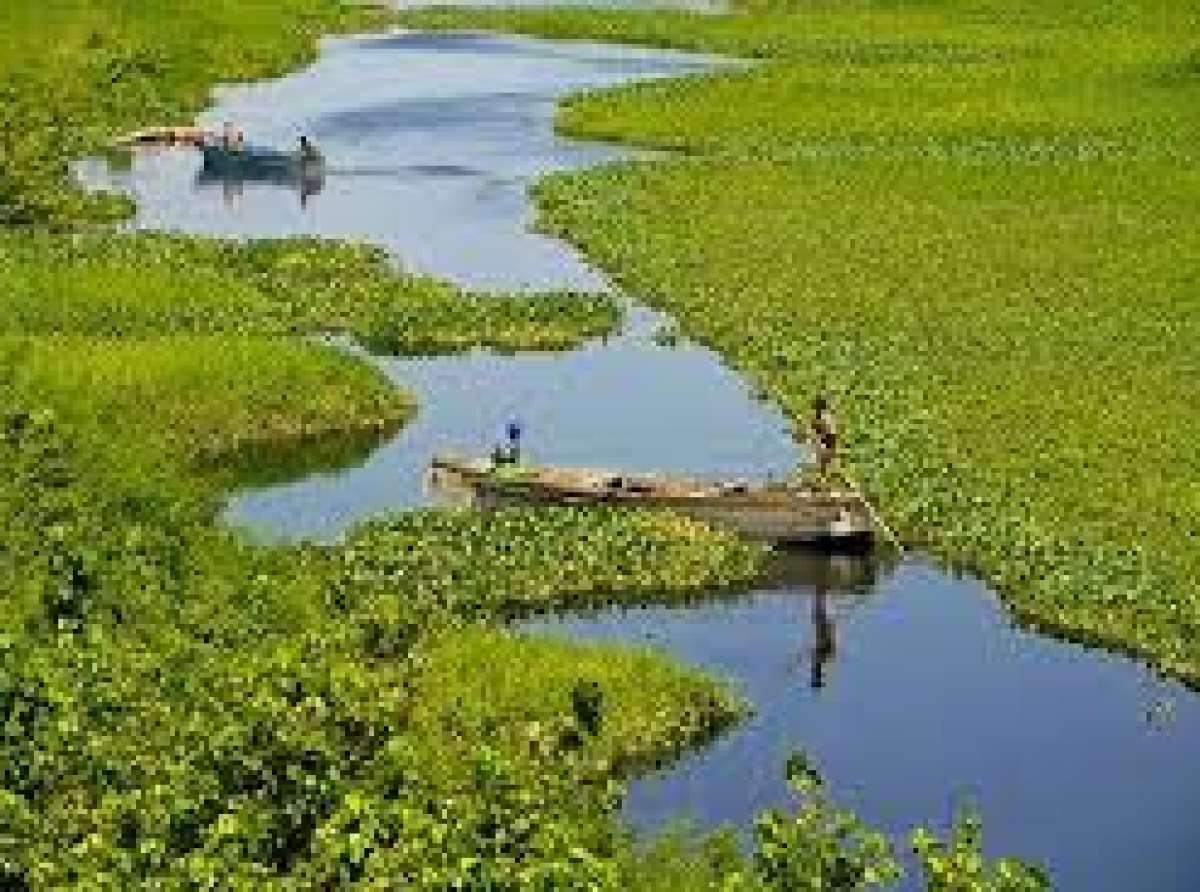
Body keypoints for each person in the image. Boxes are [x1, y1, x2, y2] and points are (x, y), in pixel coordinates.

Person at [808, 392, 838, 475]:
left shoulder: (824, 418)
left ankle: (824, 469)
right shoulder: (822, 417)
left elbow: (830, 436)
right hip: (824, 443)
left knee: (822, 461)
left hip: (825, 443)